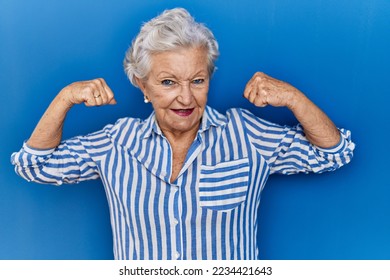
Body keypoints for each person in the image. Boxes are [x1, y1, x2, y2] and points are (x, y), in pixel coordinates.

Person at [11, 8, 354, 260]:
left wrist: (294, 98)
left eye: (197, 81)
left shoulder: (247, 134)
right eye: (168, 82)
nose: (186, 97)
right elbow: (34, 166)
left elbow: (333, 153)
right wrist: (65, 98)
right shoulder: (116, 143)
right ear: (142, 86)